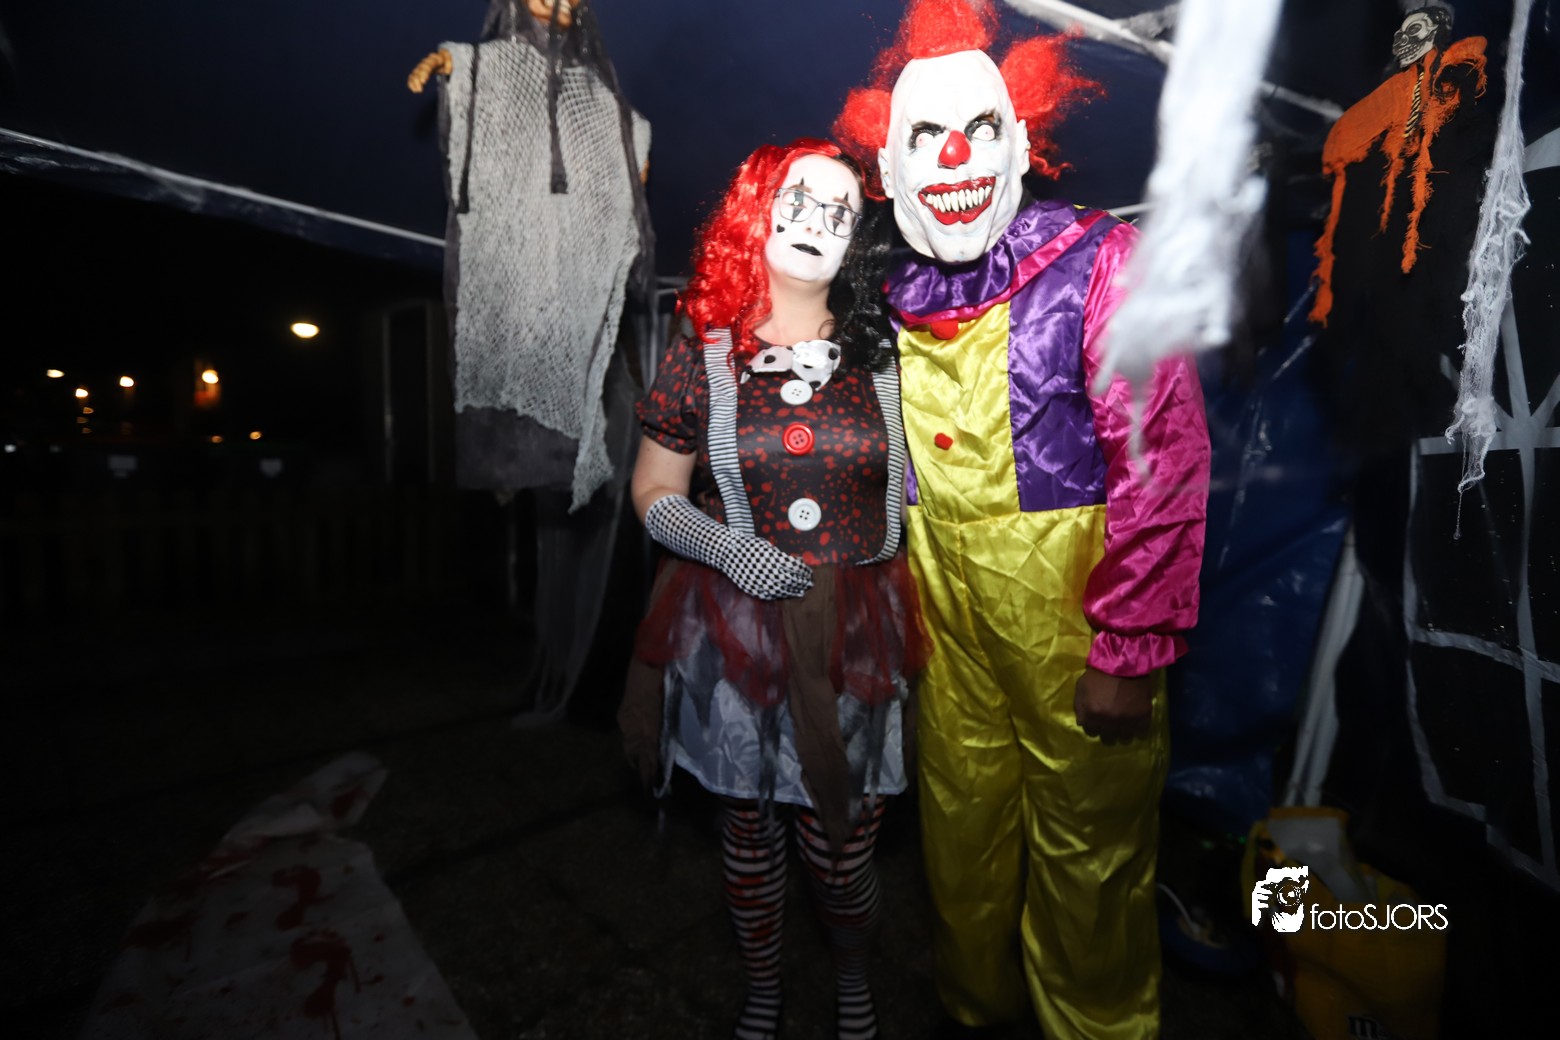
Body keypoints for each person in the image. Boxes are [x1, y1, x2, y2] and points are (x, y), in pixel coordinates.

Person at [833, 2, 1211, 1037]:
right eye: (926, 135)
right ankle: (975, 1008)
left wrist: (1129, 648)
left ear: (1021, 140)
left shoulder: (1103, 262)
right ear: (889, 167)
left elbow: (1164, 461)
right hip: (945, 637)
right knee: (960, 832)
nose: (955, 156)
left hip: (1077, 629)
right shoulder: (885, 294)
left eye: (980, 129)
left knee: (1091, 858)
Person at [619, 137, 926, 1040]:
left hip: (857, 632)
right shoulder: (703, 351)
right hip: (735, 632)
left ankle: (853, 973)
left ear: (856, 239)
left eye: (839, 212)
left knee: (843, 850)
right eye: (796, 199)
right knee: (748, 836)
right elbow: (653, 490)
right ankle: (763, 989)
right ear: (755, 210)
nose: (815, 222)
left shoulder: (891, 353)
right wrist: (723, 547)